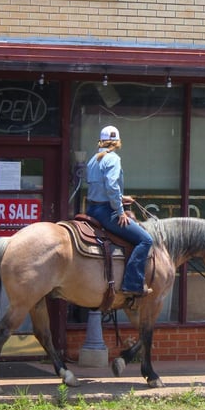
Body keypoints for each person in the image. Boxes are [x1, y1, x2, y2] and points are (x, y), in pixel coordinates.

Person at [85, 125, 153, 298]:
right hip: (106, 211)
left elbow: (100, 189)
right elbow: (112, 185)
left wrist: (121, 197)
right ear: (117, 143)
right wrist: (120, 210)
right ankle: (132, 284)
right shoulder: (113, 159)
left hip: (92, 208)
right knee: (145, 240)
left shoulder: (94, 159)